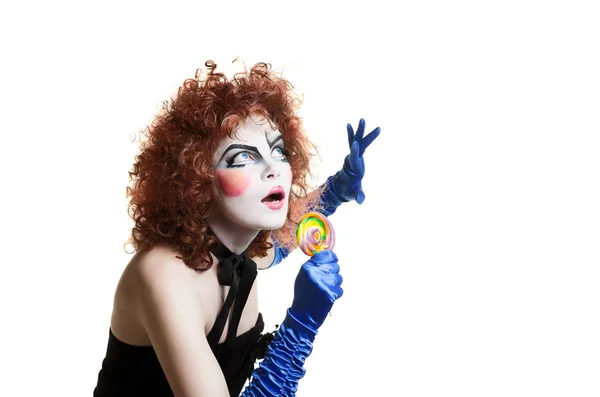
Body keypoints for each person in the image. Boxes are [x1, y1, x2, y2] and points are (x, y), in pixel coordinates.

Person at [93, 61, 380, 397]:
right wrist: (301, 324)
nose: (274, 169)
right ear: (195, 180)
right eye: (243, 158)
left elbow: (284, 240)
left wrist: (335, 191)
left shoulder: (235, 255)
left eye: (278, 151)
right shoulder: (163, 277)